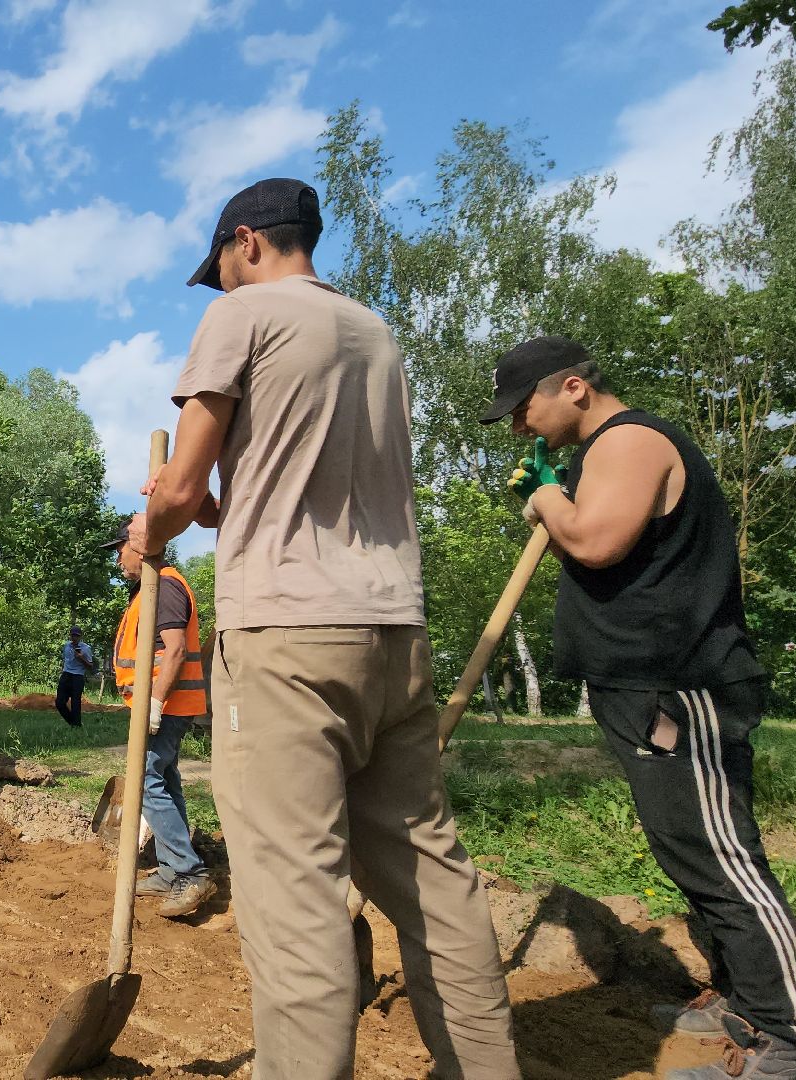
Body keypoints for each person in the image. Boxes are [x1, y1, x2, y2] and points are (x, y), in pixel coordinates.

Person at [136, 177, 518, 1078]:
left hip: (285, 642)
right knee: (430, 876)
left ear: (248, 243)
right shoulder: (374, 335)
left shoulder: (246, 316)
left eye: (223, 268)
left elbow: (182, 490)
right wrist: (215, 511)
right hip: (392, 635)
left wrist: (147, 532)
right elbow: (298, 496)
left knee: (293, 890)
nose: (223, 284)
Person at [485, 335, 796, 1080]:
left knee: (720, 857)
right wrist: (557, 487)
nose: (519, 428)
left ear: (571, 387)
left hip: (677, 685)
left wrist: (545, 496)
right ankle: (740, 1002)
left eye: (523, 408)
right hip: (644, 687)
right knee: (689, 850)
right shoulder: (601, 452)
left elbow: (596, 542)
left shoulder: (629, 439)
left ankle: (785, 1037)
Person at [103, 513, 215, 918]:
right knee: (165, 778)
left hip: (166, 707)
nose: (118, 561)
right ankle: (171, 869)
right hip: (165, 706)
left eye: (119, 551)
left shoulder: (166, 587)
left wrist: (155, 703)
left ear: (137, 546)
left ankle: (190, 871)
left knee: (145, 780)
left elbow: (176, 651)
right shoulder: (154, 587)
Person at [55, 626, 98, 727]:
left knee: (75, 703)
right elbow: (65, 660)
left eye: (77, 636)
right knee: (59, 702)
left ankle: (76, 725)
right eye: (73, 635)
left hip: (78, 676)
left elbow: (91, 666)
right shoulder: (66, 646)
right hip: (66, 675)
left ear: (80, 636)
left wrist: (81, 658)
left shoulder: (86, 648)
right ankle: (72, 722)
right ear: (70, 635)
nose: (74, 638)